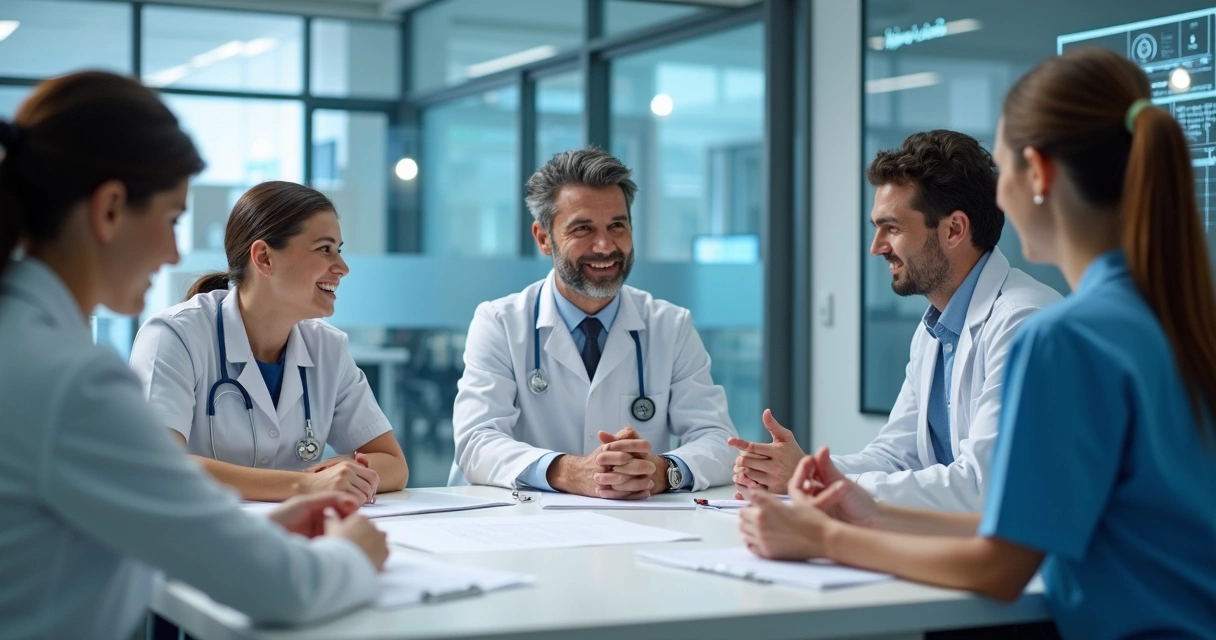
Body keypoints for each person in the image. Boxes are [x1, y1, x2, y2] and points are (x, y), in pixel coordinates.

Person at [739, 48, 1216, 638]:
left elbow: (1001, 565)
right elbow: (1034, 524)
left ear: (1037, 174)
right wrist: (869, 507)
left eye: (1007, 171)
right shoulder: (1167, 313)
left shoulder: (1057, 333)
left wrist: (826, 538)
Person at [0, 71, 389, 640]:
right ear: (109, 210)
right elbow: (284, 591)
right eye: (171, 219)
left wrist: (254, 528)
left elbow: (101, 521)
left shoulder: (27, 346)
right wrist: (352, 554)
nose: (176, 251)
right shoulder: (71, 379)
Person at [731, 130, 1060, 511]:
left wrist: (814, 483)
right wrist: (801, 471)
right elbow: (896, 455)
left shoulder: (1023, 324)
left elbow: (982, 484)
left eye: (893, 228)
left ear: (954, 229)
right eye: (877, 227)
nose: (877, 247)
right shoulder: (935, 329)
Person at [450, 147, 736, 497]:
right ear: (543, 238)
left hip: (635, 525)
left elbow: (720, 439)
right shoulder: (500, 323)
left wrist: (660, 471)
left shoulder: (670, 326)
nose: (604, 246)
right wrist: (570, 472)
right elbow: (476, 442)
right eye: (582, 229)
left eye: (617, 226)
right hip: (521, 524)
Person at [129, 181, 408, 504]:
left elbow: (393, 465)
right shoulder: (174, 337)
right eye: (324, 249)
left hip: (286, 537)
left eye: (339, 250)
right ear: (264, 257)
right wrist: (304, 487)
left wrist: (341, 472)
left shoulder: (327, 349)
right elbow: (158, 466)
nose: (342, 268)